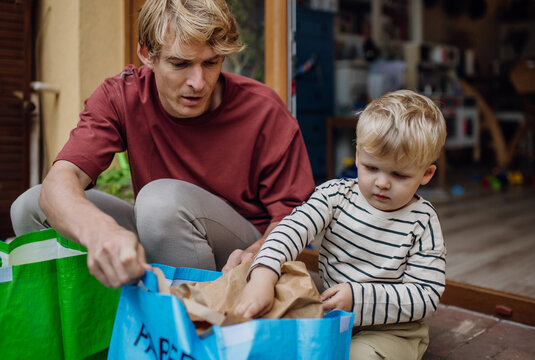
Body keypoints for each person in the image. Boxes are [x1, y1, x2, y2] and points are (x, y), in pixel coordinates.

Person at [10, 0, 315, 288]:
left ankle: (194, 328)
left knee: (159, 202)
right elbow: (61, 181)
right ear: (147, 53)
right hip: (162, 231)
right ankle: (95, 326)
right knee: (32, 206)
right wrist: (99, 232)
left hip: (243, 256)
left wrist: (258, 256)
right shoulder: (123, 96)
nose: (198, 82)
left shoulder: (263, 110)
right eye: (180, 64)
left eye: (211, 62)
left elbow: (298, 219)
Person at [235, 89, 447, 360]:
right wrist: (264, 272)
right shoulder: (335, 196)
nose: (382, 182)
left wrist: (358, 298)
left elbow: (425, 296)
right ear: (358, 156)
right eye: (372, 168)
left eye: (399, 174)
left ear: (426, 174)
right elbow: (292, 228)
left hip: (393, 330)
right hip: (332, 315)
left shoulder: (423, 222)